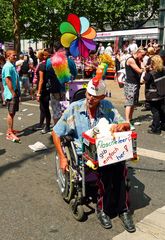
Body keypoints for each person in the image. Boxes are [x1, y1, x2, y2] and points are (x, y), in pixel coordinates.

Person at [52, 78, 136, 233]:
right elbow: (56, 133)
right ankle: (103, 210)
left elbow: (123, 123)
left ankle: (123, 210)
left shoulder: (107, 107)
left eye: (95, 96)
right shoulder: (74, 109)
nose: (91, 98)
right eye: (89, 94)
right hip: (84, 154)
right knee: (105, 169)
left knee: (121, 168)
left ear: (102, 97)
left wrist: (123, 125)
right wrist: (63, 157)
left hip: (106, 150)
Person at [142, 55, 165, 134]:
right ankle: (162, 125)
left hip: (153, 95)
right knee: (161, 110)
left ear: (153, 63)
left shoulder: (151, 73)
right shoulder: (163, 70)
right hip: (162, 94)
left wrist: (145, 71)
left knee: (155, 112)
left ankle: (156, 128)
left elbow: (143, 80)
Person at [124, 48, 146, 129]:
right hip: (130, 84)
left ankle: (130, 119)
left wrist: (141, 62)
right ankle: (127, 121)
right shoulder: (131, 60)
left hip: (135, 83)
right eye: (142, 55)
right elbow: (139, 71)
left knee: (133, 103)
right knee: (129, 103)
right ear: (139, 52)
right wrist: (144, 67)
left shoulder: (137, 59)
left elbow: (142, 69)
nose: (143, 57)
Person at [2, 50, 21, 142]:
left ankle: (11, 130)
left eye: (16, 55)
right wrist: (13, 92)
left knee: (13, 112)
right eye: (14, 55)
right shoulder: (8, 66)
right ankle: (9, 133)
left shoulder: (12, 65)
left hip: (14, 92)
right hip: (11, 93)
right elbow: (8, 80)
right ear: (8, 56)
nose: (15, 57)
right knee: (11, 112)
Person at [35, 49, 51, 134]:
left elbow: (41, 80)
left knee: (45, 108)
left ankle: (47, 126)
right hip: (46, 89)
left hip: (43, 90)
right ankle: (41, 124)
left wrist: (38, 92)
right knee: (42, 108)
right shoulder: (48, 65)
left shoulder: (42, 66)